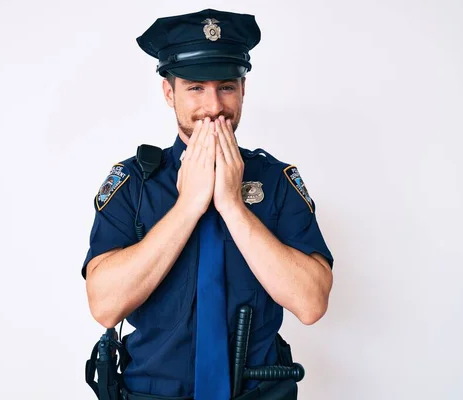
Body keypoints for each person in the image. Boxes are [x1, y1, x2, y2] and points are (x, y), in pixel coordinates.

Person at [82, 8, 334, 400]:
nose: (214, 106)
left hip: (260, 393)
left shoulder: (276, 181)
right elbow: (105, 306)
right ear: (170, 93)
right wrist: (188, 206)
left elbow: (311, 302)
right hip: (152, 394)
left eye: (226, 87)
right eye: (196, 88)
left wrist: (232, 205)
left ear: (243, 89)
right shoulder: (133, 183)